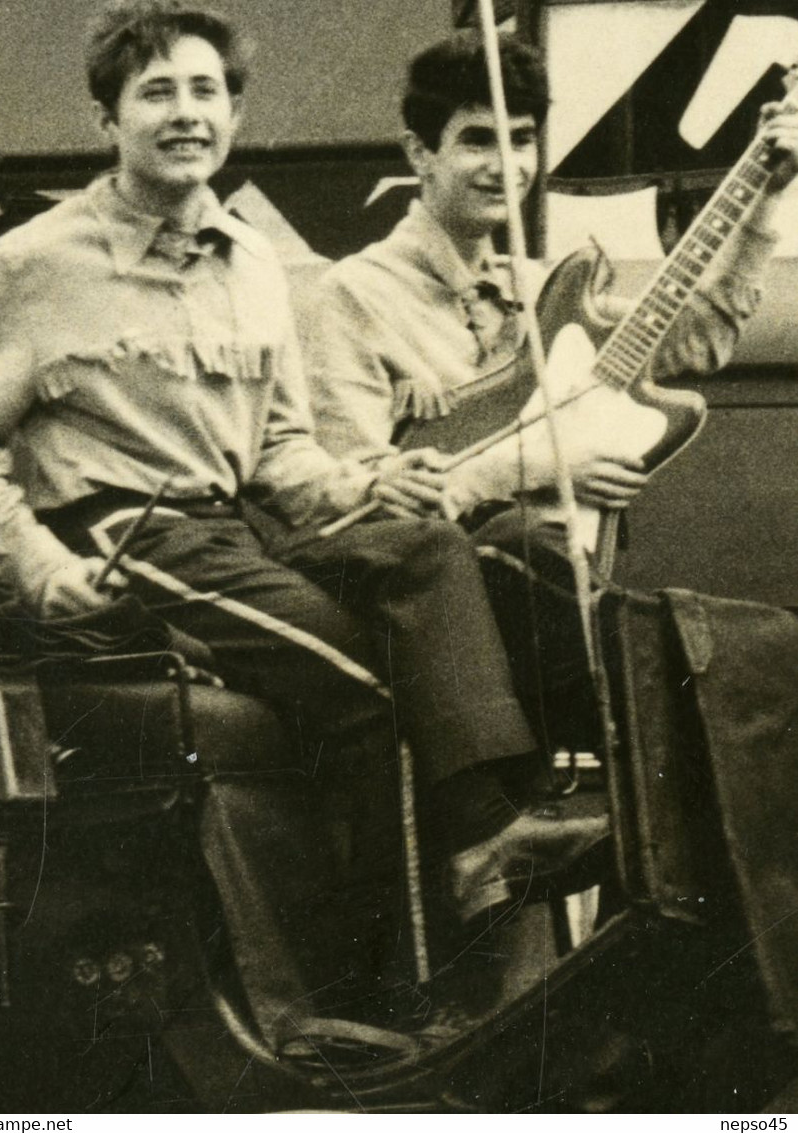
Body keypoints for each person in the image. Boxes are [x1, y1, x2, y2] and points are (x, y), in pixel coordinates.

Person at [0, 1, 606, 1050]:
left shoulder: (254, 266)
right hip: (124, 532)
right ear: (108, 118)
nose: (185, 113)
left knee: (428, 549)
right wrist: (45, 571)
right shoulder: (35, 262)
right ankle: (357, 995)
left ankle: (486, 842)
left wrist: (373, 484)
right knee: (360, 685)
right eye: (156, 92)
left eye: (206, 91)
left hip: (240, 526)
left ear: (235, 111)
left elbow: (283, 454)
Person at [303, 27, 798, 765]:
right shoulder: (350, 297)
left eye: (523, 140)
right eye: (476, 141)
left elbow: (698, 339)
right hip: (440, 624)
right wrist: (540, 465)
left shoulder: (544, 288)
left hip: (559, 595)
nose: (506, 166)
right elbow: (357, 507)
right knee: (678, 698)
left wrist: (767, 195)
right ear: (418, 153)